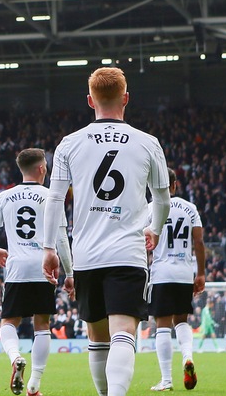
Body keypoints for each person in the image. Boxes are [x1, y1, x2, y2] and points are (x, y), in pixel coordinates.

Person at [42, 67, 170, 396]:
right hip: (127, 253)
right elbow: (162, 199)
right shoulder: (148, 143)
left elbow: (54, 199)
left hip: (86, 255)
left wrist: (49, 249)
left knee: (98, 338)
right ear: (126, 98)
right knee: (124, 333)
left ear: (90, 100)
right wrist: (154, 229)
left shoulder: (69, 144)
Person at [0, 148, 75, 396]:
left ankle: (15, 357)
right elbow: (61, 238)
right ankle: (34, 385)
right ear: (42, 168)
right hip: (44, 266)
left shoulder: (5, 196)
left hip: (17, 268)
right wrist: (70, 274)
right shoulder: (51, 196)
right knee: (42, 324)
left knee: (8, 322)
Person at [146, 168, 205, 392]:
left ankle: (166, 379)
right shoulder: (190, 208)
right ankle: (187, 357)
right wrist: (201, 273)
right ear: (174, 185)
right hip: (184, 273)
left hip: (162, 272)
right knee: (181, 321)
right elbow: (199, 242)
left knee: (162, 325)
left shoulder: (150, 208)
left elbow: (142, 241)